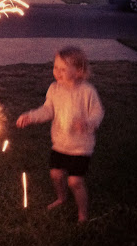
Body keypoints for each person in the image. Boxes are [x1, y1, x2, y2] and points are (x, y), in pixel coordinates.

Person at [16, 47, 104, 222]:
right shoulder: (54, 89)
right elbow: (48, 110)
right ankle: (61, 198)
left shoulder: (87, 91)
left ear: (78, 71)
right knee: (56, 175)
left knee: (75, 182)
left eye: (63, 69)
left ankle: (83, 214)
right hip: (60, 144)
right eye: (55, 67)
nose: (57, 72)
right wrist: (31, 117)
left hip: (80, 147)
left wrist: (88, 123)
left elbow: (97, 112)